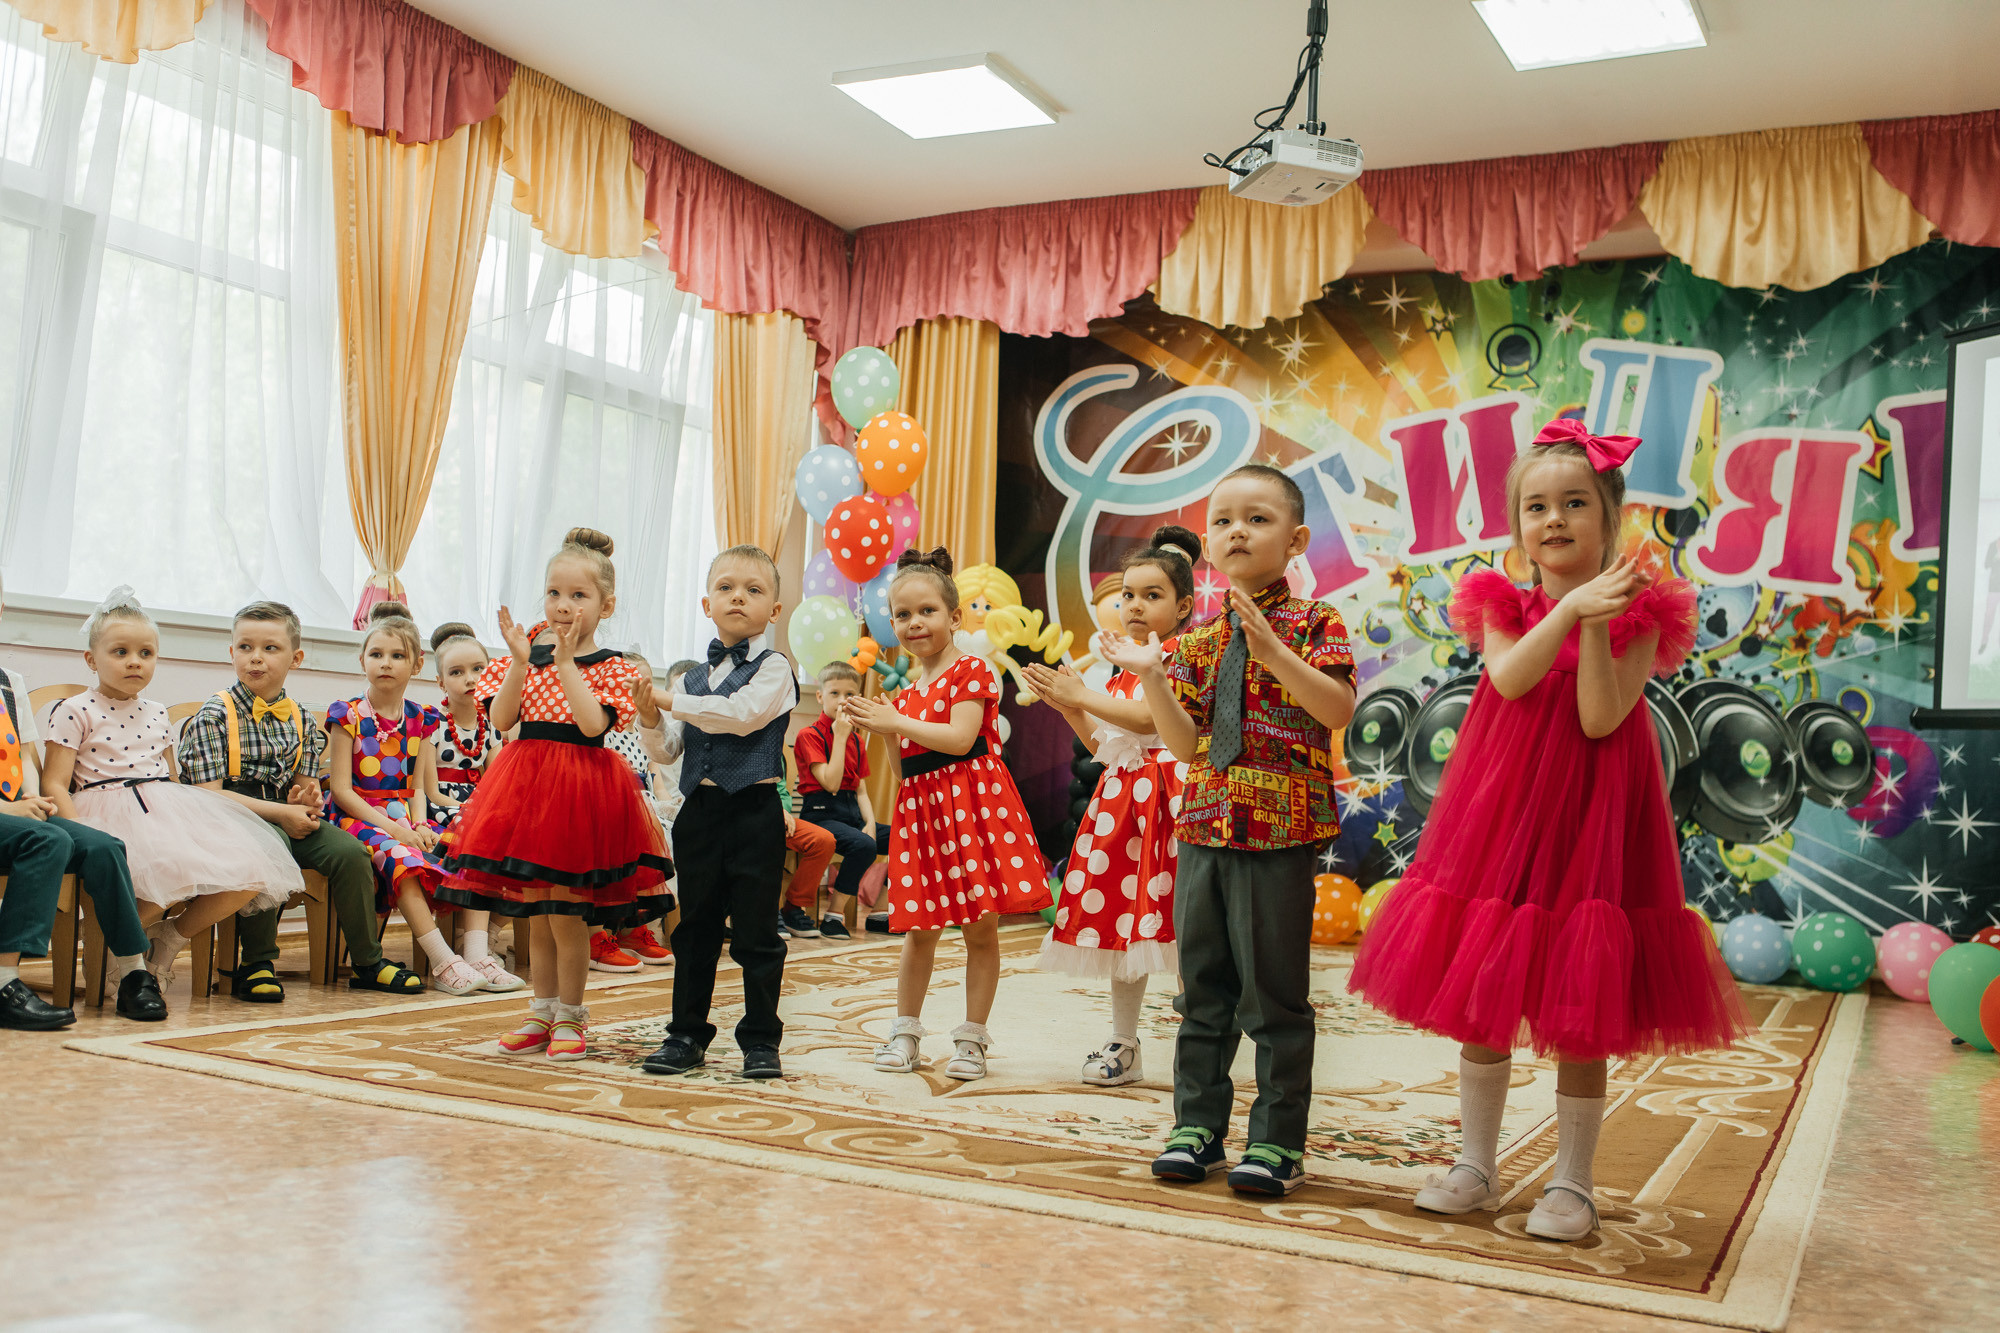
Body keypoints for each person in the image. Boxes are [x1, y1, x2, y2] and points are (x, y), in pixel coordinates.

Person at [1348, 422, 1749, 1241]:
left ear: (1610, 517)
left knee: (1582, 986)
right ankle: (1477, 1162)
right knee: (1482, 987)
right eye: (1537, 506)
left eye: (1575, 503)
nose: (1554, 519)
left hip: (1596, 811)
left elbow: (1602, 718)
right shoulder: (1503, 601)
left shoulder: (1644, 612)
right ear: (1517, 525)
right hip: (1502, 808)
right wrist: (1567, 607)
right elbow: (1508, 675)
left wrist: (1597, 618)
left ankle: (1572, 1181)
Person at [1102, 464, 1356, 1198]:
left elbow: (1335, 710)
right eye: (1223, 519)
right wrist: (1152, 671)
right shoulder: (1196, 642)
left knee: (1274, 994)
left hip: (1279, 832)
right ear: (1207, 543)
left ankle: (1278, 1139)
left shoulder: (1316, 623)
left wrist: (1275, 650)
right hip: (1206, 826)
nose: (1236, 530)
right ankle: (1198, 1123)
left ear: (1296, 538)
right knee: (1201, 988)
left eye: (1258, 518)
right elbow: (1185, 746)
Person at [437, 528, 673, 1061]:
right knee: (538, 916)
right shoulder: (527, 657)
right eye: (553, 593)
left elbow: (593, 728)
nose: (562, 606)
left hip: (580, 793)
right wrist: (522, 661)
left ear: (605, 605)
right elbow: (500, 720)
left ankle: (572, 1017)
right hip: (526, 789)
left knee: (568, 918)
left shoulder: (613, 666)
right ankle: (540, 1012)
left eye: (578, 595)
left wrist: (565, 663)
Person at [843, 546, 1052, 1083]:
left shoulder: (973, 670)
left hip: (972, 808)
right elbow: (903, 765)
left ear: (954, 617)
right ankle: (906, 1030)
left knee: (980, 930)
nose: (915, 623)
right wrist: (884, 727)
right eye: (903, 614)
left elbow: (960, 739)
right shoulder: (906, 692)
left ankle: (972, 1039)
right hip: (923, 812)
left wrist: (896, 719)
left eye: (927, 611)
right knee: (919, 930)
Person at [42, 589, 302, 1011]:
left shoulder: (159, 711)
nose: (134, 661)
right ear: (92, 660)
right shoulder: (74, 710)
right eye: (120, 651)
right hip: (101, 809)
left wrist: (194, 823)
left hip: (164, 804)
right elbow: (54, 783)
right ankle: (114, 948)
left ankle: (168, 939)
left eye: (146, 653)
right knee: (169, 869)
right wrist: (77, 833)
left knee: (250, 870)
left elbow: (172, 776)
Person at [1022, 525, 1201, 1087]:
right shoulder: (1121, 669)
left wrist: (1082, 696)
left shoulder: (1184, 655)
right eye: (1128, 594)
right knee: (1131, 927)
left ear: (1184, 606)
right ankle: (1124, 1043)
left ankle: (1200, 1045)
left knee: (1182, 927)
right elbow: (1107, 744)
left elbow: (1154, 723)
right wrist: (1071, 707)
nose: (1135, 606)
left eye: (1153, 596)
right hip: (1123, 804)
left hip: (1173, 803)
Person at [178, 601, 425, 1002]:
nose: (256, 657)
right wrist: (284, 813)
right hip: (228, 815)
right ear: (231, 653)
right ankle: (256, 964)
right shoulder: (214, 715)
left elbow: (306, 787)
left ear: (296, 658)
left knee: (350, 853)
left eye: (270, 648)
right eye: (245, 647)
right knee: (268, 846)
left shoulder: (302, 719)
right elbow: (209, 796)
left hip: (282, 809)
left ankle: (367, 961)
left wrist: (306, 800)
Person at [639, 546, 797, 1081]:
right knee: (696, 927)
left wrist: (667, 701)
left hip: (755, 809)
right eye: (727, 588)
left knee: (756, 931)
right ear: (707, 603)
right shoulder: (688, 681)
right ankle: (685, 1034)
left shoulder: (776, 669)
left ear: (774, 610)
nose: (739, 597)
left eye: (754, 590)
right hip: (699, 811)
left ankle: (760, 1040)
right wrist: (650, 718)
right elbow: (667, 752)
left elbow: (741, 717)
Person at [0, 577, 159, 1028]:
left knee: (104, 845)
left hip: (18, 811)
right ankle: (5, 981)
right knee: (45, 841)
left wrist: (30, 797)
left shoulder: (9, 683)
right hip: (7, 819)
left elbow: (26, 759)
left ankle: (133, 974)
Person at [325, 604, 480, 994]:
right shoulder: (347, 715)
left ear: (416, 664)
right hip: (355, 816)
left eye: (397, 656)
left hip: (403, 815)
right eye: (376, 655)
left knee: (464, 846)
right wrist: (396, 829)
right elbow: (341, 791)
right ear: (362, 660)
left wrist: (421, 824)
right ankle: (444, 963)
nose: (386, 663)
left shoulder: (422, 718)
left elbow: (416, 788)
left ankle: (478, 950)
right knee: (402, 857)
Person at [426, 622, 524, 990]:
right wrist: (469, 810)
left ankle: (484, 942)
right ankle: (476, 954)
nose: (469, 679)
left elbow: (496, 781)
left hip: (479, 806)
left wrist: (489, 809)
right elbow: (430, 791)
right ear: (440, 682)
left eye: (478, 669)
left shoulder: (492, 725)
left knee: (526, 846)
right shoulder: (431, 724)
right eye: (457, 672)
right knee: (479, 840)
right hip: (444, 810)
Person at [793, 661, 889, 942]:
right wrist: (840, 737)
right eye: (834, 693)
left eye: (850, 694)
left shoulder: (858, 742)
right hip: (821, 813)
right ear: (820, 696)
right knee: (863, 845)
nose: (842, 701)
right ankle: (834, 916)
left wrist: (870, 821)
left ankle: (880, 913)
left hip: (852, 813)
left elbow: (860, 790)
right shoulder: (809, 735)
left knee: (907, 838)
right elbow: (831, 783)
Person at [777, 774, 838, 940]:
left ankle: (793, 907)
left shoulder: (775, 751)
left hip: (778, 813)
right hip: (749, 813)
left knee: (823, 841)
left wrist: (782, 809)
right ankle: (765, 912)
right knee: (767, 834)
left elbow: (781, 791)